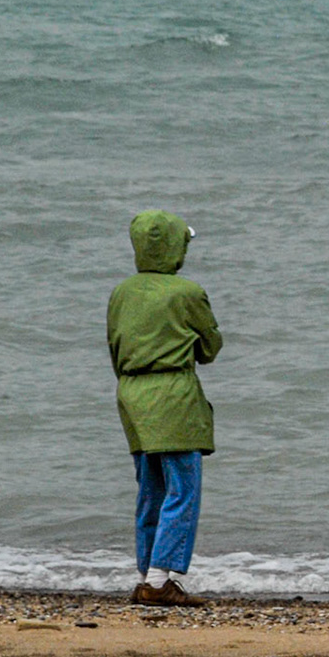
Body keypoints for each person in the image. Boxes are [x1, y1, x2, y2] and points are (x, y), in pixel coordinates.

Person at [107, 209, 223, 607]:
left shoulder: (121, 293)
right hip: (174, 393)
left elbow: (115, 348)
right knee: (182, 488)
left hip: (132, 393)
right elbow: (209, 349)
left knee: (151, 490)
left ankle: (145, 575)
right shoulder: (187, 293)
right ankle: (159, 581)